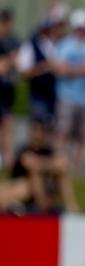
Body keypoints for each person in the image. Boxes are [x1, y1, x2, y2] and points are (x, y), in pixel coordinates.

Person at [52, 8, 85, 171]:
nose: (81, 31)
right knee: (63, 130)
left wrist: (72, 69)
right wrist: (83, 69)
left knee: (83, 134)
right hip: (67, 96)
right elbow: (60, 69)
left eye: (84, 27)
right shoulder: (65, 44)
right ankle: (61, 161)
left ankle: (78, 166)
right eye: (79, 27)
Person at [0, 121, 78, 214]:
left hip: (43, 188)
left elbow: (62, 163)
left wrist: (40, 164)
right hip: (25, 187)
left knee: (59, 173)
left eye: (40, 131)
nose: (37, 135)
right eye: (35, 131)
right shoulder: (24, 149)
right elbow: (28, 162)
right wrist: (48, 165)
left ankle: (71, 208)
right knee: (22, 184)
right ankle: (37, 206)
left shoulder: (48, 150)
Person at [0, 8, 19, 169]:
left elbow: (16, 61)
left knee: (7, 124)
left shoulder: (13, 40)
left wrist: (9, 62)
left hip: (7, 92)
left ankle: (7, 158)